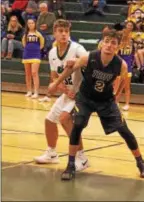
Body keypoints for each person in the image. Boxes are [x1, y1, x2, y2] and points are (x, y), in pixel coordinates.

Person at [49, 29, 144, 180]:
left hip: (106, 101)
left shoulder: (120, 64)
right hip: (85, 98)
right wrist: (56, 83)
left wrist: (117, 95)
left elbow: (123, 80)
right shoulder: (89, 57)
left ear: (118, 46)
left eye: (113, 43)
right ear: (102, 43)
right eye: (107, 42)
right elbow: (70, 68)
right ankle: (71, 164)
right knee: (77, 125)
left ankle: (141, 162)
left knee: (124, 130)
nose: (109, 45)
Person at [34, 19, 89, 171]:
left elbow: (89, 58)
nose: (64, 34)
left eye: (66, 31)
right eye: (61, 31)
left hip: (81, 94)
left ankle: (81, 158)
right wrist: (62, 89)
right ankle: (51, 154)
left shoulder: (77, 48)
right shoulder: (52, 52)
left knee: (65, 119)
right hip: (67, 93)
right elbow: (54, 76)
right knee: (49, 120)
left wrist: (78, 60)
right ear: (55, 34)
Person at [22, 19, 44, 98]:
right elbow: (24, 44)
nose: (30, 24)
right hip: (27, 54)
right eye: (29, 23)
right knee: (27, 74)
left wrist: (36, 49)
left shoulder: (38, 34)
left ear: (35, 24)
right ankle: (29, 91)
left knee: (34, 73)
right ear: (27, 25)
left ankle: (36, 92)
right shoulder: (25, 34)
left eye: (32, 23)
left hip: (36, 55)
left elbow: (42, 44)